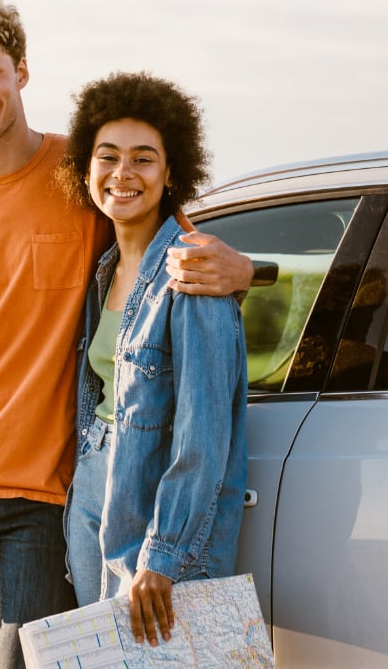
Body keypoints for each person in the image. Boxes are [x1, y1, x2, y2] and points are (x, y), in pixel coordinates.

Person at [0, 0, 253, 669]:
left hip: (45, 496)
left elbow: (176, 247)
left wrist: (244, 269)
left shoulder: (88, 171)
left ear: (21, 71)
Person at [58, 71, 249, 647]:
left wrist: (163, 555)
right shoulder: (104, 268)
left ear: (170, 174)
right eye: (108, 156)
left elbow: (203, 435)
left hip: (154, 510)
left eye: (143, 159)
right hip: (93, 490)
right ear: (86, 170)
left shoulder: (193, 273)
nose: (123, 173)